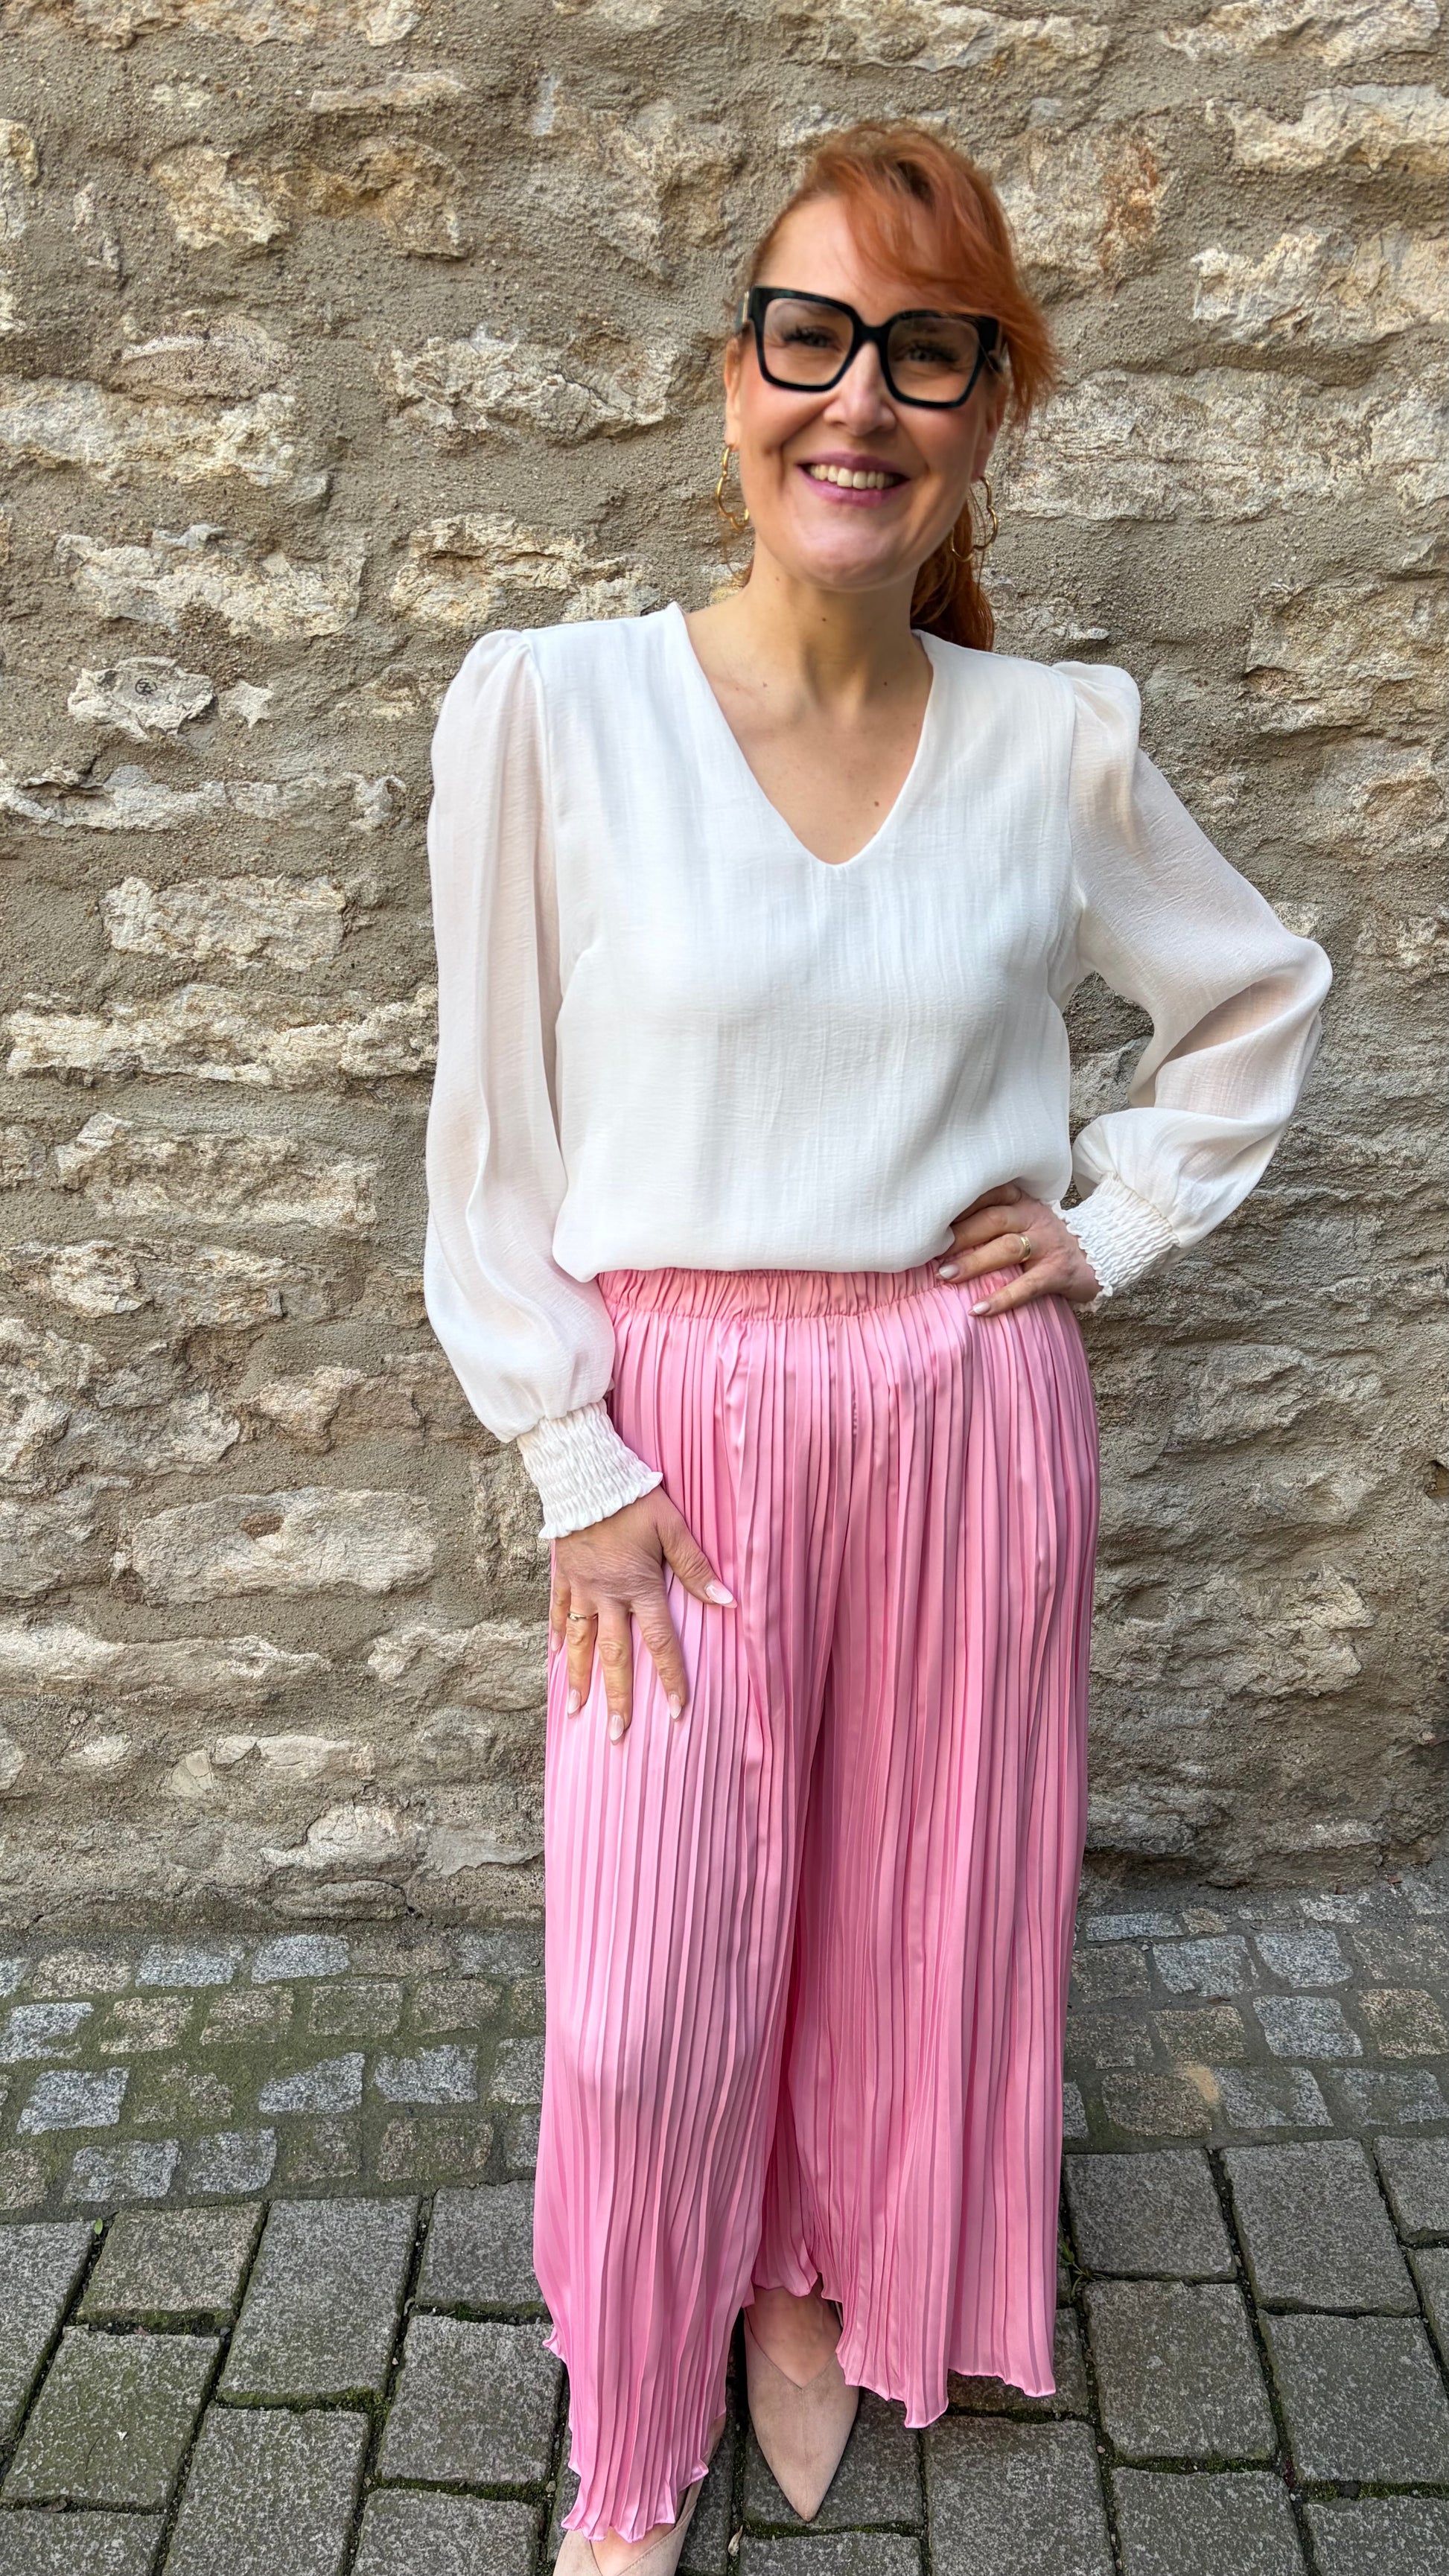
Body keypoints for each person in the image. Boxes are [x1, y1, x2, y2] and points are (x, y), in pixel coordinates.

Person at [422, 122, 1331, 2575]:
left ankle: (810, 2266)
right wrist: (568, 1451)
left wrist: (1110, 1224)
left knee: (907, 1909)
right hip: (672, 1439)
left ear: (987, 408)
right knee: (642, 1985)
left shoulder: (1055, 741)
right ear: (734, 373)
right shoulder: (552, 712)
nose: (857, 399)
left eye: (925, 353)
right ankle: (633, 2421)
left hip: (957, 1413)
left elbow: (1251, 996)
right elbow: (489, 1133)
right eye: (809, 335)